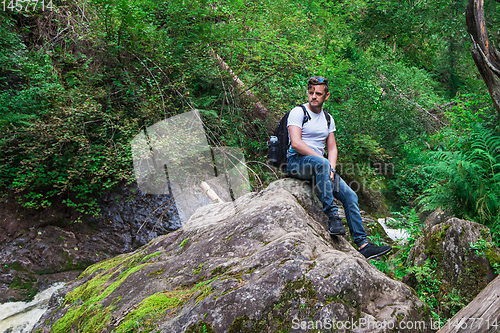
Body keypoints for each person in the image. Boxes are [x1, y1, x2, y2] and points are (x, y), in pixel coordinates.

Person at [286, 77, 391, 259]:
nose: (313, 97)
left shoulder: (327, 119)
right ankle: (333, 216)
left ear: (326, 96)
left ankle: (363, 245)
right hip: (297, 162)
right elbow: (295, 143)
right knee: (323, 163)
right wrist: (324, 163)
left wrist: (331, 169)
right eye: (311, 92)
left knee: (350, 195)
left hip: (321, 166)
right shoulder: (298, 112)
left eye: (318, 94)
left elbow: (332, 148)